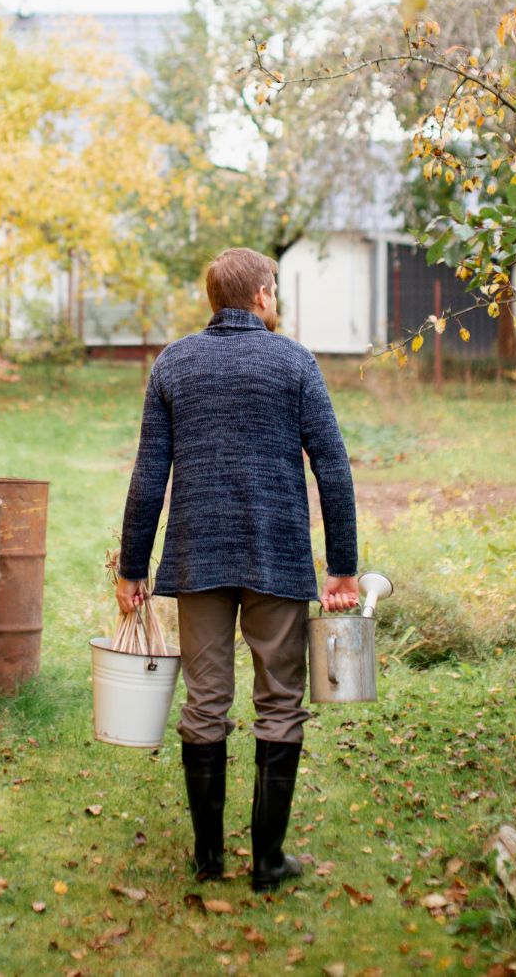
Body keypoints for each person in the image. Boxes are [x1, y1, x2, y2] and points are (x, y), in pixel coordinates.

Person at [116, 246, 358, 893]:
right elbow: (332, 467)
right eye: (273, 288)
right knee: (280, 703)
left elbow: (148, 477)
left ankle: (208, 860)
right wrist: (344, 567)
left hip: (197, 557)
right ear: (259, 296)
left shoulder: (175, 363)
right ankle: (269, 865)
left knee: (205, 704)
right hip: (277, 555)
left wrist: (132, 567)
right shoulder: (295, 362)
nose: (276, 299)